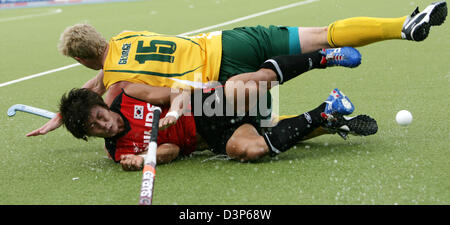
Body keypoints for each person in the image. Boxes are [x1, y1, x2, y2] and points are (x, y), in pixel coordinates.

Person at [27, 1, 447, 137]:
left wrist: (63, 117)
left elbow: (96, 89)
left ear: (82, 59)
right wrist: (65, 110)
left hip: (219, 80)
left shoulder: (118, 84)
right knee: (321, 33)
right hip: (229, 41)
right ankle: (403, 26)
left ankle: (325, 117)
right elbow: (98, 76)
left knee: (251, 124)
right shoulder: (123, 36)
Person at [59, 86, 378, 171]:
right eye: (96, 127)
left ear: (102, 105)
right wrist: (146, 160)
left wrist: (175, 110)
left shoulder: (129, 97)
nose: (105, 124)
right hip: (211, 138)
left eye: (100, 115)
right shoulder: (122, 153)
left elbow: (172, 91)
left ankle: (320, 59)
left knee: (255, 92)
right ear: (90, 135)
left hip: (206, 105)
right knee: (253, 149)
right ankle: (326, 116)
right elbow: (172, 151)